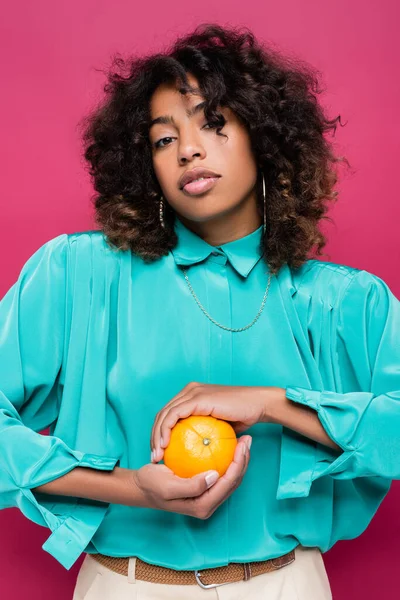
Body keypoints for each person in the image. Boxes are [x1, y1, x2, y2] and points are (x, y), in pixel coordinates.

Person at [0, 22, 399, 600]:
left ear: (264, 138)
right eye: (164, 139)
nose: (188, 149)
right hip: (128, 586)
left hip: (288, 585)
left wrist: (272, 404)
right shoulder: (79, 275)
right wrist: (132, 486)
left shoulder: (343, 302)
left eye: (213, 124)